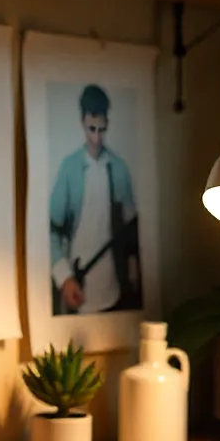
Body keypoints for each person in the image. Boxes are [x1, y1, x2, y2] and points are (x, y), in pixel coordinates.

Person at [50, 84, 141, 315]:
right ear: (82, 122)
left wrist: (132, 271)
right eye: (92, 129)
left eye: (102, 129)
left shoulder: (119, 168)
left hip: (114, 286)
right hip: (77, 282)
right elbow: (51, 229)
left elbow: (132, 228)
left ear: (107, 123)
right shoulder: (69, 168)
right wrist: (64, 278)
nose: (97, 137)